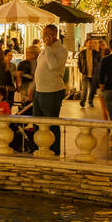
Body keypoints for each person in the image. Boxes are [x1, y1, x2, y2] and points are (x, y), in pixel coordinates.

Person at [30, 24, 69, 153]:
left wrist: (47, 48)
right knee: (37, 122)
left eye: (47, 34)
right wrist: (33, 86)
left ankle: (54, 150)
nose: (45, 37)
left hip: (52, 90)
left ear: (54, 35)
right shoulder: (44, 49)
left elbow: (53, 66)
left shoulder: (61, 50)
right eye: (44, 34)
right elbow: (39, 68)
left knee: (51, 122)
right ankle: (39, 147)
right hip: (39, 90)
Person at [77, 37, 103, 108]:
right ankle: (82, 101)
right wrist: (81, 70)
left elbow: (99, 63)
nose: (91, 44)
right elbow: (79, 63)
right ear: (86, 43)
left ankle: (90, 101)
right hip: (85, 73)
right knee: (84, 89)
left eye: (92, 43)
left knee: (92, 89)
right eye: (90, 43)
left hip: (94, 74)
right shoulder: (82, 53)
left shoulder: (96, 53)